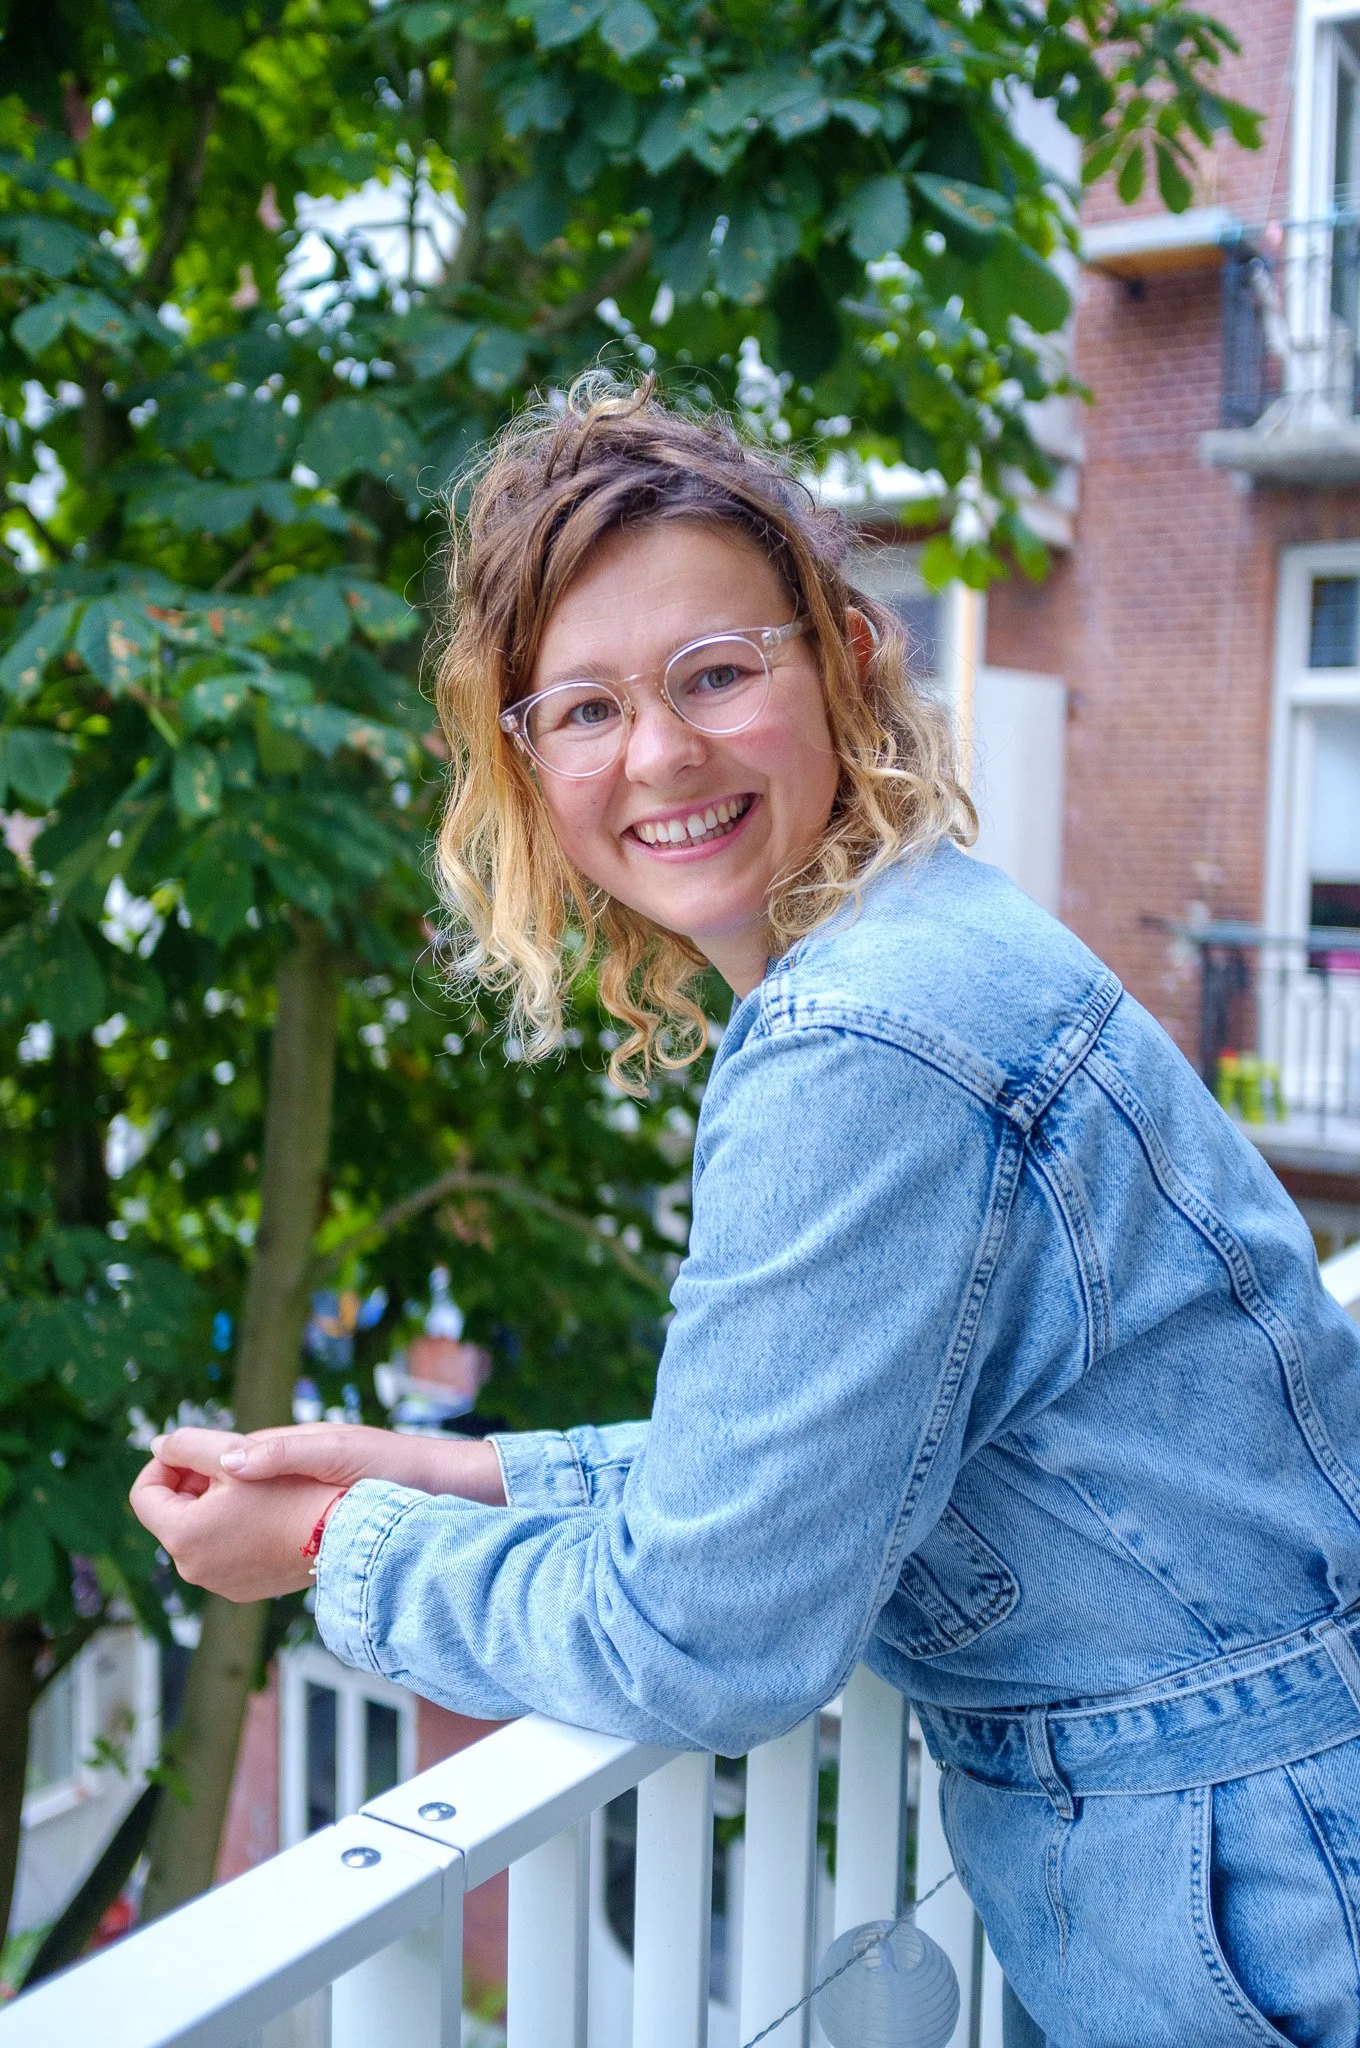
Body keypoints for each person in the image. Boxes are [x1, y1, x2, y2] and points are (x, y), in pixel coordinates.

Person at [135, 378, 1360, 2048]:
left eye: (717, 673)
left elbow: (707, 1638)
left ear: (849, 659)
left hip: (1249, 1892)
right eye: (581, 709)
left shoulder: (861, 1041)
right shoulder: (929, 944)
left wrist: (343, 1553)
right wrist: (470, 1471)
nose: (659, 754)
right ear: (521, 759)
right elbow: (848, 1448)